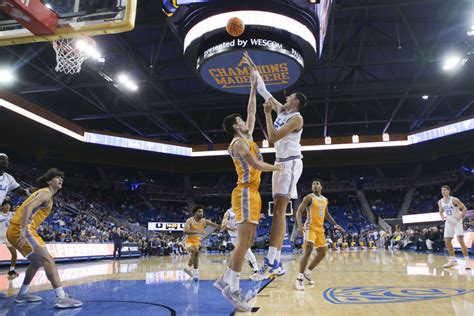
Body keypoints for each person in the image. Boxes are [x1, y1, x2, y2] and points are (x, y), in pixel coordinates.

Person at [214, 53, 283, 312]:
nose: (245, 120)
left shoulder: (248, 137)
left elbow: (252, 106)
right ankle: (230, 286)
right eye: (241, 120)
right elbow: (254, 166)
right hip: (244, 192)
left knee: (249, 241)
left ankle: (228, 282)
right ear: (235, 126)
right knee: (243, 242)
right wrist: (276, 165)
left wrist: (253, 79)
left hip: (252, 193)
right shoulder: (239, 143)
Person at [245, 55, 307, 279]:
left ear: (296, 102)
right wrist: (254, 67)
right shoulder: (284, 111)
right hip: (279, 163)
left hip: (290, 164)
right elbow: (263, 90)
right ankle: (276, 264)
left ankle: (270, 262)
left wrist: (267, 115)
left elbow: (272, 137)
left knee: (279, 211)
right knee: (278, 212)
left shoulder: (296, 118)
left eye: (290, 96)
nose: (287, 96)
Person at [6, 168, 82, 309]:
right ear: (49, 181)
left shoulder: (46, 195)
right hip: (21, 229)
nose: (60, 180)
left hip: (20, 230)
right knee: (48, 259)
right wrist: (23, 230)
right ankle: (61, 297)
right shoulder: (45, 192)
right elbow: (28, 207)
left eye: (62, 178)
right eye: (57, 177)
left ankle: (23, 294)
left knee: (36, 262)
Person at [294, 179, 344, 290]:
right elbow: (299, 211)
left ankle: (307, 272)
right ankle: (299, 278)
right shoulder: (309, 198)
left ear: (321, 187)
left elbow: (327, 214)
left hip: (320, 229)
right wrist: (300, 225)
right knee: (308, 250)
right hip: (310, 227)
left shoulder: (325, 200)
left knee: (322, 253)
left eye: (317, 184)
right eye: (313, 184)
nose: (315, 185)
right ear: (312, 187)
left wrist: (336, 224)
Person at [183, 205, 220, 281]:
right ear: (195, 213)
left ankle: (187, 269)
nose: (201, 213)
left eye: (202, 211)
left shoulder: (204, 221)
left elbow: (216, 226)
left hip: (197, 242)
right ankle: (196, 273)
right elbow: (185, 231)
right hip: (188, 242)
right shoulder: (189, 220)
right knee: (196, 252)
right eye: (199, 211)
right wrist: (197, 231)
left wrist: (225, 226)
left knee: (194, 256)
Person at [438, 185, 470, 269]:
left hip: (457, 222)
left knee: (460, 241)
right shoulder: (440, 201)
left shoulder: (454, 199)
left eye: (445, 190)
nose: (443, 192)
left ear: (449, 191)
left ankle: (467, 262)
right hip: (448, 222)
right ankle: (453, 260)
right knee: (447, 241)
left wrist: (459, 217)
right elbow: (440, 211)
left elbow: (464, 209)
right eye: (442, 190)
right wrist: (442, 217)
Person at [221, 207, 259, 275]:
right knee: (243, 253)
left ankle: (256, 269)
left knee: (247, 251)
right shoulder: (228, 213)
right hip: (234, 237)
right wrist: (229, 227)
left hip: (242, 234)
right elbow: (223, 226)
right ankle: (251, 262)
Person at [0, 200, 19, 278]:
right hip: (0, 236)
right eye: (6, 205)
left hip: (9, 237)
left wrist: (19, 210)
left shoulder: (13, 214)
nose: (7, 206)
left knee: (14, 254)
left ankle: (11, 270)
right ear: (2, 206)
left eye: (9, 205)